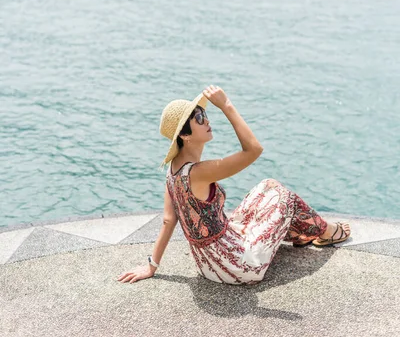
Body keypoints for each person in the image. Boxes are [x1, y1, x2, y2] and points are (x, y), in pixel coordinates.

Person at [117, 85, 351, 285]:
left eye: (204, 115)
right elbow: (254, 150)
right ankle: (329, 232)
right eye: (198, 119)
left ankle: (304, 232)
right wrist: (226, 105)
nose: (207, 120)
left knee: (267, 186)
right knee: (284, 196)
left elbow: (169, 220)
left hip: (208, 265)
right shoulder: (199, 172)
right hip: (236, 265)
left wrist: (151, 266)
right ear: (185, 135)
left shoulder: (173, 171)